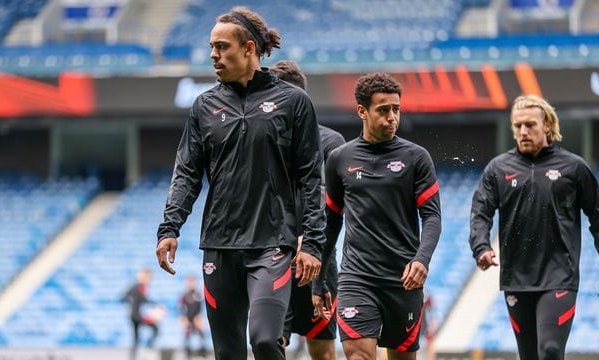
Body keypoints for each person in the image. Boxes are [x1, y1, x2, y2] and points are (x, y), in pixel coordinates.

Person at [156, 7, 326, 360]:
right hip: (219, 246)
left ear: (249, 48)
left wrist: (312, 242)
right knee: (228, 353)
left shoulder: (294, 102)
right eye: (211, 47)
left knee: (265, 340)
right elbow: (187, 172)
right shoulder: (203, 106)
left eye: (222, 47)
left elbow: (311, 176)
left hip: (272, 245)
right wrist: (169, 227)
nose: (213, 55)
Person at [470, 94, 599, 360]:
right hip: (517, 279)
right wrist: (481, 246)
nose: (523, 131)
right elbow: (481, 212)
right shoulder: (498, 169)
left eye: (530, 125)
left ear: (548, 126)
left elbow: (597, 214)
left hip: (559, 276)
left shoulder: (574, 168)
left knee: (550, 350)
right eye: (517, 126)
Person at [325, 72, 442, 359]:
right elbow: (330, 221)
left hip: (403, 280)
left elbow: (432, 217)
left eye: (396, 110)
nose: (392, 117)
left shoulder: (417, 158)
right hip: (356, 278)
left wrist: (421, 260)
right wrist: (321, 280)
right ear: (362, 111)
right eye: (383, 110)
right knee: (358, 356)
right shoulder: (339, 159)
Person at [270, 60, 345, 360]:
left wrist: (309, 239)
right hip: (271, 259)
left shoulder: (329, 142)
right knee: (270, 344)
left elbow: (335, 203)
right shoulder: (265, 140)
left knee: (323, 352)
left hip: (317, 260)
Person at [122, 268, 160, 356]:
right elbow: (126, 297)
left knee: (136, 337)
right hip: (136, 316)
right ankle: (148, 347)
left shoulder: (137, 286)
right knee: (155, 328)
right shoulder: (139, 286)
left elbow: (126, 297)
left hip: (133, 315)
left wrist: (132, 302)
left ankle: (133, 355)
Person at [179, 275, 207, 358]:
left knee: (201, 335)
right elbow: (181, 307)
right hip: (188, 318)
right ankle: (188, 355)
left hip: (196, 318)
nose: (191, 284)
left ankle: (203, 354)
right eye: (189, 282)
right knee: (187, 336)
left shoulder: (198, 294)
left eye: (192, 282)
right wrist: (184, 318)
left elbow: (200, 307)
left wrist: (199, 318)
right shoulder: (184, 295)